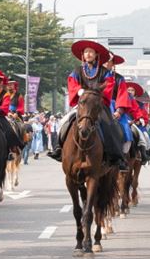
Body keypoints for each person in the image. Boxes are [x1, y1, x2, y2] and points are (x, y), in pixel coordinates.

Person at [48, 40, 126, 171]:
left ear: (96, 55)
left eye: (91, 52)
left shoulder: (104, 72)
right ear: (83, 55)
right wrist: (79, 91)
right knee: (64, 121)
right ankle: (57, 148)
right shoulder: (77, 71)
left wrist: (94, 94)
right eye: (86, 52)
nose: (88, 54)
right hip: (82, 105)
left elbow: (108, 87)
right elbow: (72, 83)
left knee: (110, 125)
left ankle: (116, 156)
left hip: (98, 105)